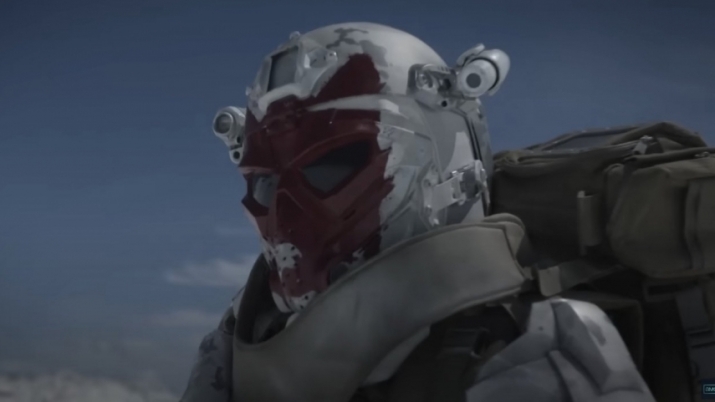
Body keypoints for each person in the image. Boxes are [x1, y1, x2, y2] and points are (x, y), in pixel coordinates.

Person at [180, 22, 655, 402]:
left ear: (444, 164)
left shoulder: (535, 346)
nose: (284, 214)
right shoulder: (243, 337)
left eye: (328, 167)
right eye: (265, 182)